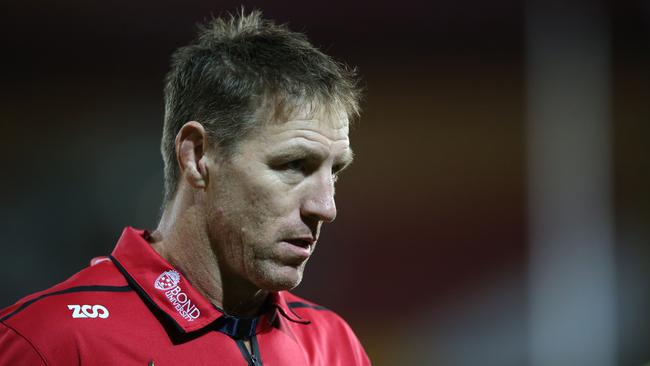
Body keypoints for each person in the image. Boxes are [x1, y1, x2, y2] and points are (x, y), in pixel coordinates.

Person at [0, 10, 370, 365]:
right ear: (196, 157)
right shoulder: (49, 342)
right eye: (293, 165)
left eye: (334, 171)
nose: (326, 207)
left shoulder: (334, 346)